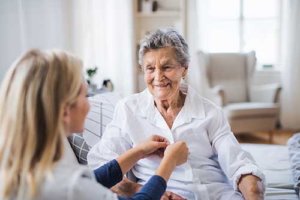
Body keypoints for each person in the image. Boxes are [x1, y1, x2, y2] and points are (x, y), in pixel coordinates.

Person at [88, 28, 265, 200]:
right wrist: (139, 189)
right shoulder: (128, 109)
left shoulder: (210, 112)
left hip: (214, 194)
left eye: (166, 67)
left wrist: (252, 191)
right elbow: (101, 166)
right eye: (150, 68)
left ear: (184, 69)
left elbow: (237, 163)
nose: (158, 77)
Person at [0, 49, 189, 200]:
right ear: (65, 111)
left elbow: (93, 180)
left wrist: (138, 151)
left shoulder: (27, 171)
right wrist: (168, 163)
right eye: (84, 95)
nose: (89, 103)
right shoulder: (71, 188)